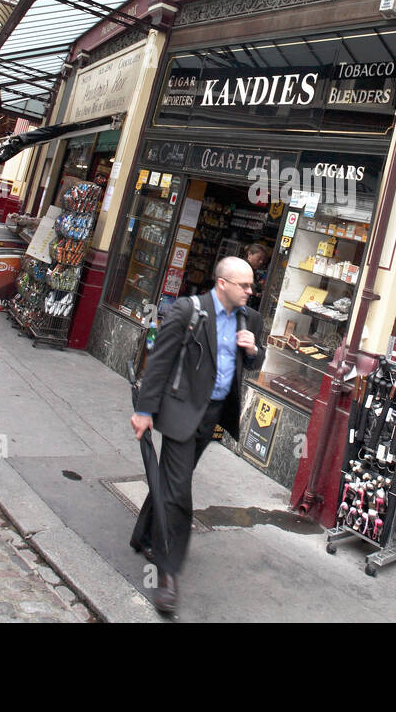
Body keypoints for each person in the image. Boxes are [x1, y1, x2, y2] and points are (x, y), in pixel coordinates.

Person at [129, 256, 265, 614]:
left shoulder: (249, 318)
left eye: (252, 285)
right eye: (245, 285)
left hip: (212, 414)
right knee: (179, 493)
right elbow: (159, 360)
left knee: (177, 478)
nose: (251, 291)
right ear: (223, 284)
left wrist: (253, 351)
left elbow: (252, 363)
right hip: (179, 409)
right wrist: (144, 410)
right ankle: (168, 575)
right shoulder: (189, 311)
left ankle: (143, 534)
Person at [243, 243, 269, 310]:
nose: (261, 262)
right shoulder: (244, 267)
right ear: (249, 255)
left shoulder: (251, 270)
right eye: (259, 258)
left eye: (263, 260)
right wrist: (257, 293)